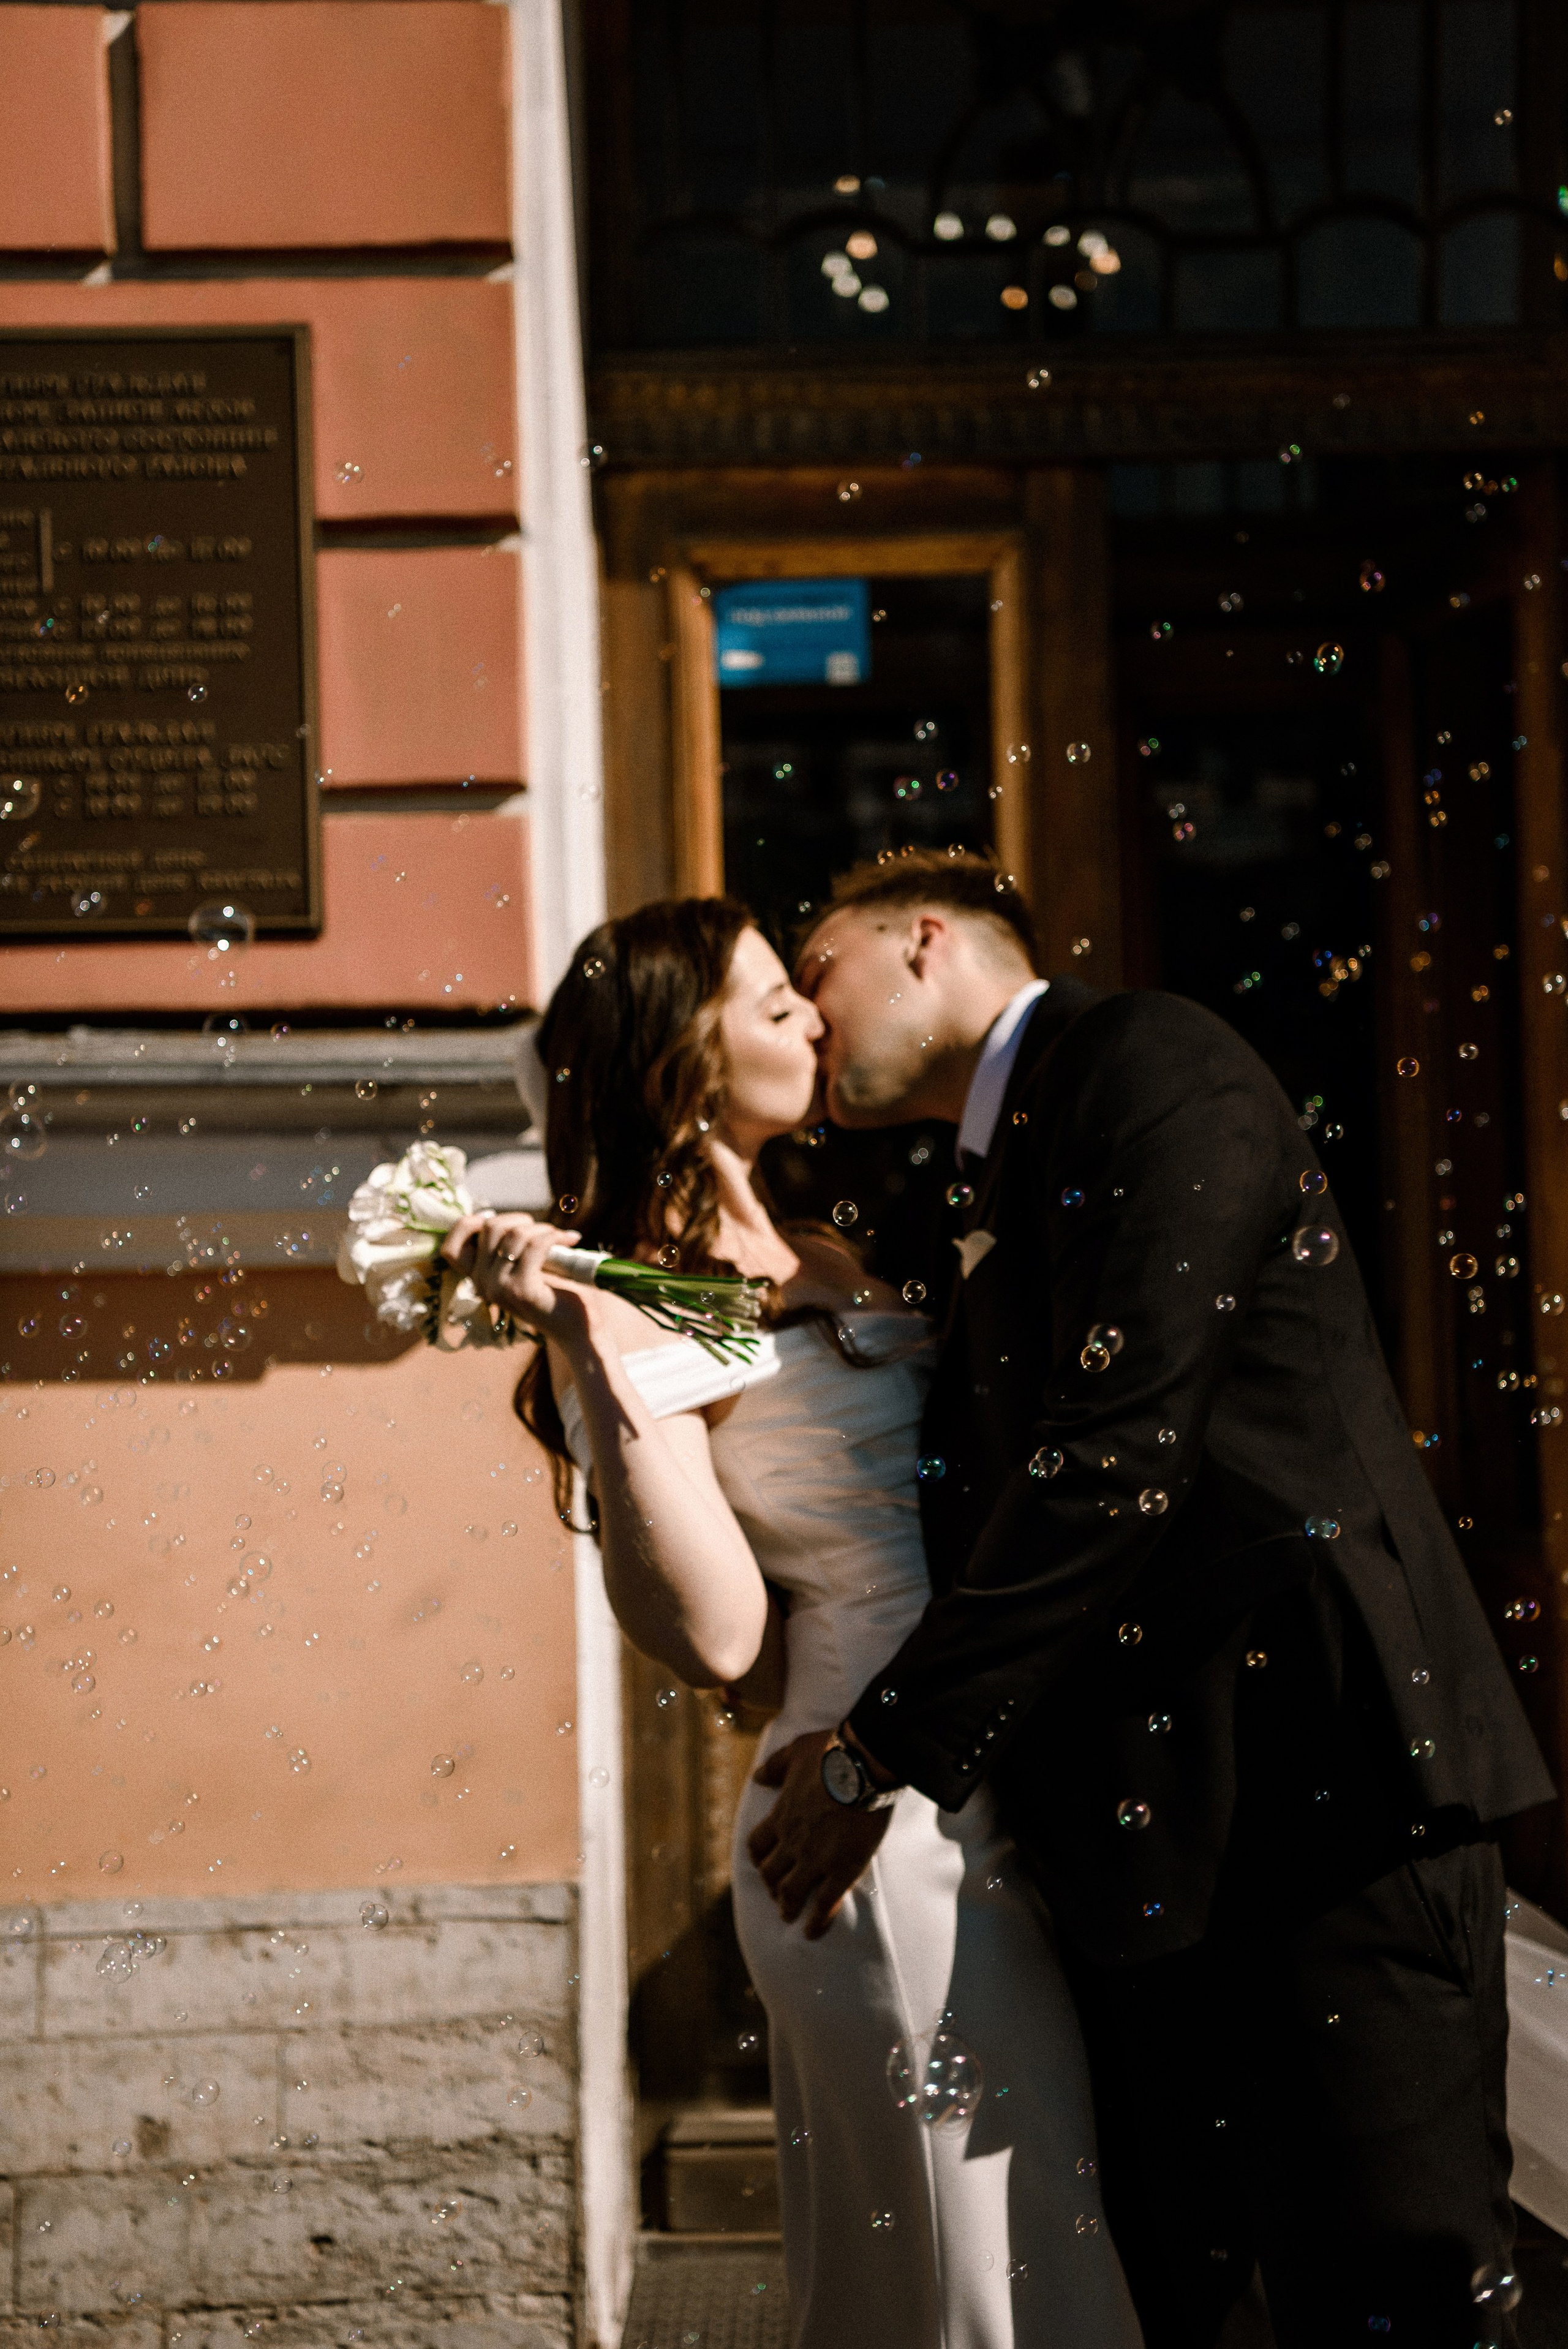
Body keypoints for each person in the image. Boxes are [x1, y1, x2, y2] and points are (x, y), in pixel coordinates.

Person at [747, 848, 1555, 2349]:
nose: (805, 1017)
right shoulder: (972, 1181)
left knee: (1398, 2280)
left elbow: (1115, 1452)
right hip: (1148, 1840)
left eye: (817, 973)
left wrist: (880, 1751)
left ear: (923, 940)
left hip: (1321, 1796)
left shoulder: (1151, 1061)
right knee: (1209, 2300)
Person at [441, 895, 1144, 2349]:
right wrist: (589, 1356)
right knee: (974, 2281)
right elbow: (715, 1635)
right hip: (872, 1828)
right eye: (774, 1006)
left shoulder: (825, 1245)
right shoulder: (633, 1295)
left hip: (976, 1751)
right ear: (683, 1066)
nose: (816, 1020)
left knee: (1030, 2234)